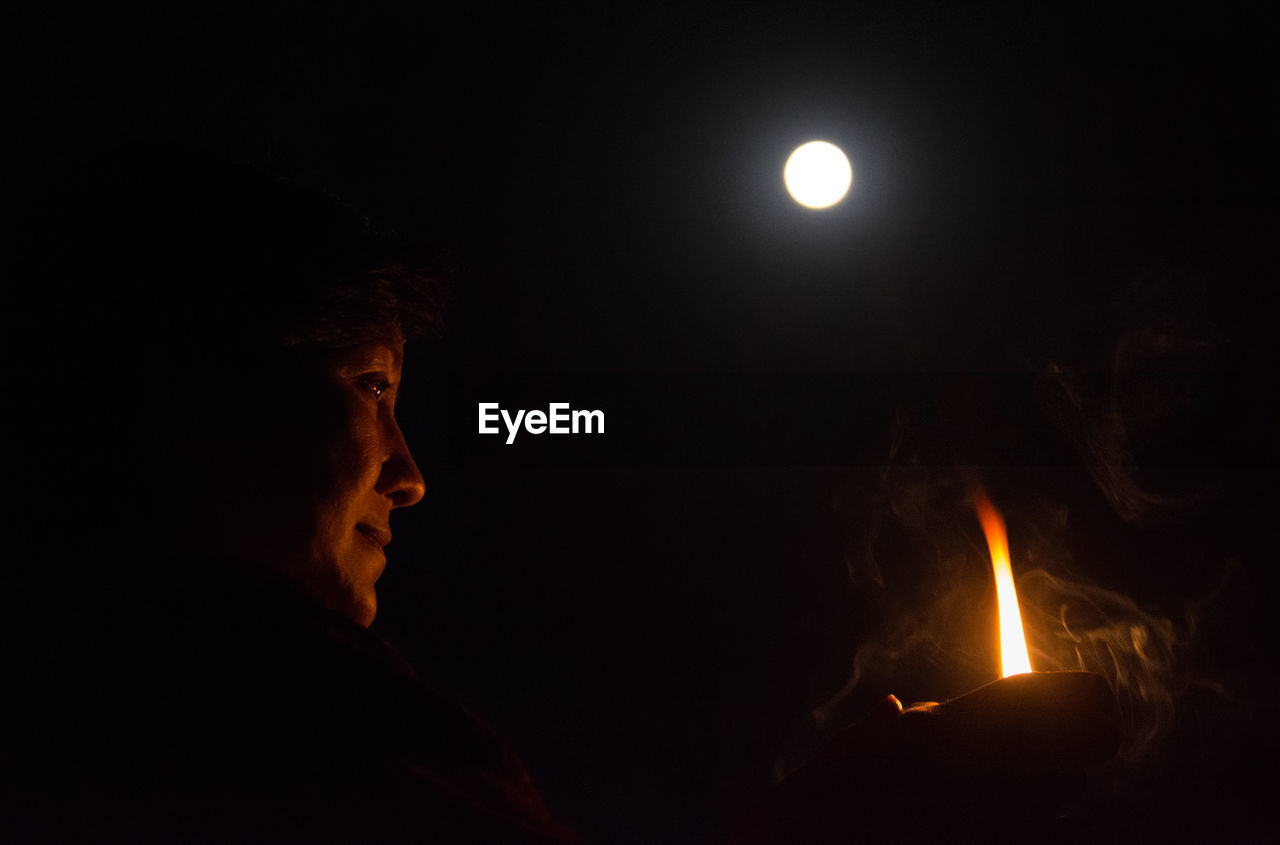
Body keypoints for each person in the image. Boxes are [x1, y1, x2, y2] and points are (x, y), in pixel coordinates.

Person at [0, 143, 1115, 843]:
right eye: (369, 386)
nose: (411, 470)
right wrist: (859, 816)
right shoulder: (234, 737)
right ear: (190, 394)